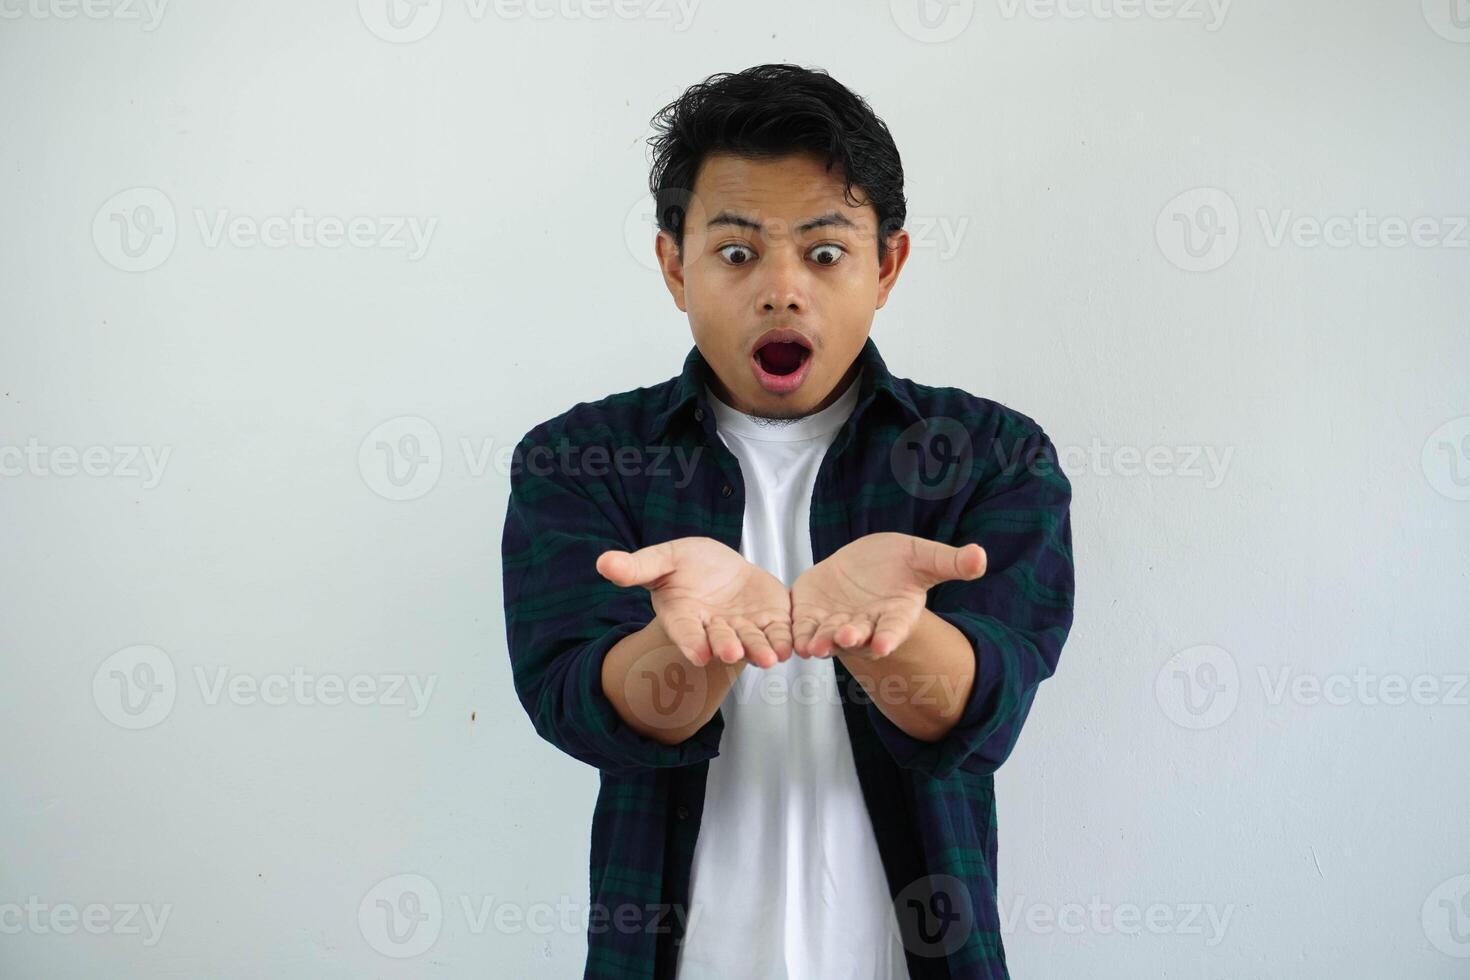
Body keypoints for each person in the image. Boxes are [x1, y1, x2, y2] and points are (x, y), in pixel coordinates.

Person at [501, 63, 1075, 980]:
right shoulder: (576, 459)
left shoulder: (992, 455)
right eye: (735, 253)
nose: (782, 290)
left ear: (886, 266)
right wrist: (690, 645)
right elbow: (576, 707)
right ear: (672, 264)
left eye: (823, 251)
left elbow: (982, 713)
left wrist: (893, 634)